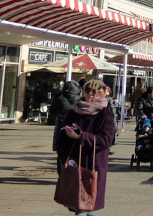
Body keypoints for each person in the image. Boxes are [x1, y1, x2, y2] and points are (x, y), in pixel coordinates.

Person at [56, 79, 115, 215]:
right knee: (83, 205)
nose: (90, 94)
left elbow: (106, 140)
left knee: (85, 205)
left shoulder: (105, 114)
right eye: (87, 90)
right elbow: (62, 136)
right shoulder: (75, 111)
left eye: (94, 91)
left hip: (94, 163)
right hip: (75, 163)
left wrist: (81, 137)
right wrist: (65, 157)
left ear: (101, 93)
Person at [51, 80, 82, 174]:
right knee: (75, 154)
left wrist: (56, 98)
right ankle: (74, 174)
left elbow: (52, 112)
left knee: (61, 154)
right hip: (76, 130)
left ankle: (62, 175)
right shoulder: (81, 100)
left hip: (62, 129)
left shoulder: (61, 100)